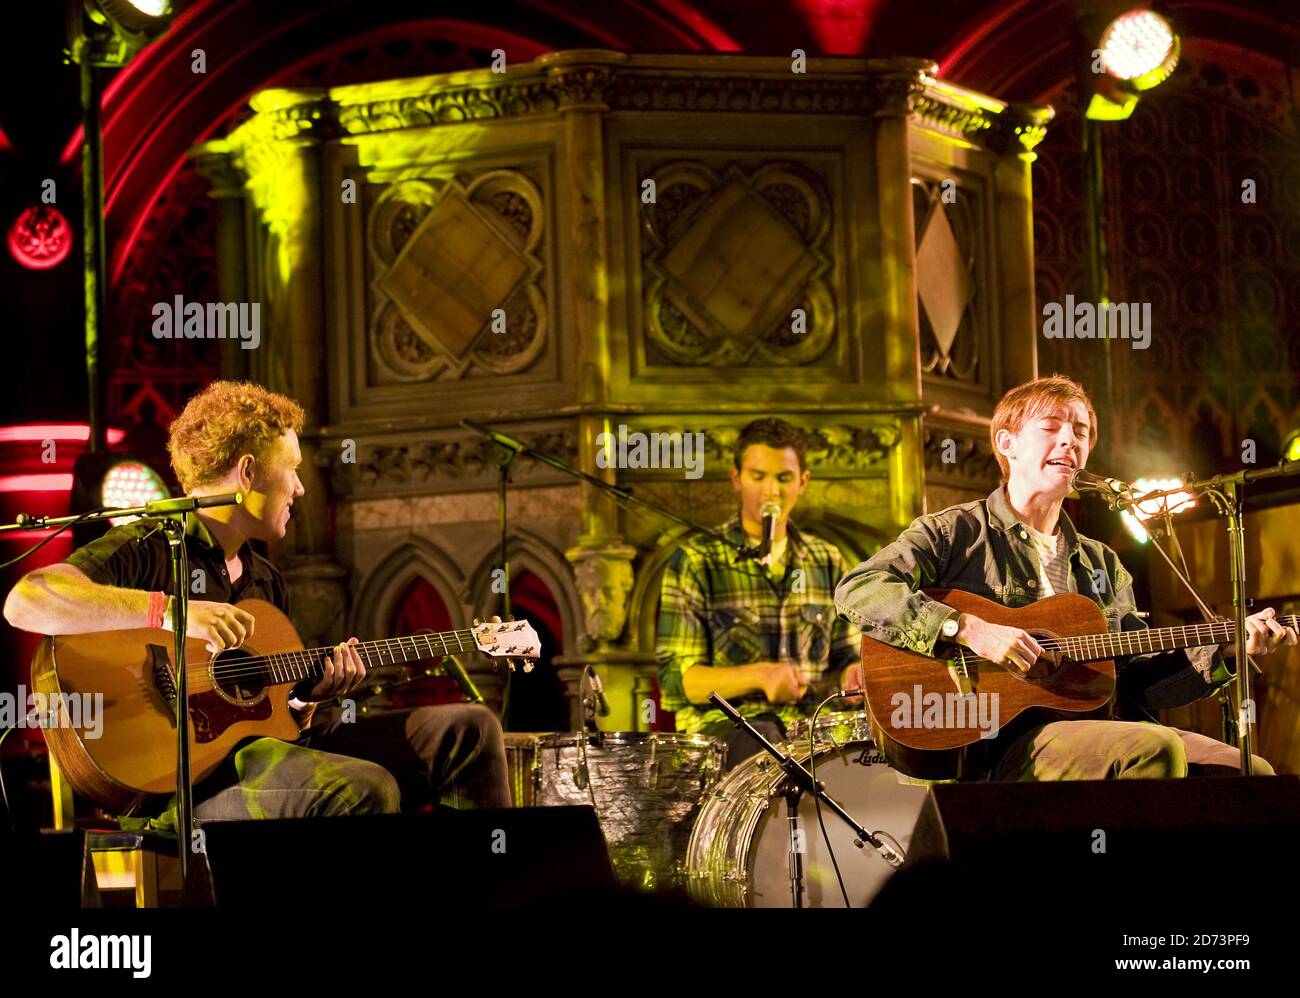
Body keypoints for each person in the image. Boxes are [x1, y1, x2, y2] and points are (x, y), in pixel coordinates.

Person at [5, 380, 513, 825]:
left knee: (469, 729)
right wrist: (172, 613)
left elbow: (271, 717)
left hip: (266, 757)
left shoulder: (264, 579)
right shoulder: (151, 544)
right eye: (291, 469)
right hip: (188, 786)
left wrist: (307, 700)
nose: (299, 487)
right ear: (247, 472)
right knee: (362, 787)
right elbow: (26, 600)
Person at [835, 374, 1295, 780]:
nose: (1069, 441)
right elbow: (859, 588)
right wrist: (969, 629)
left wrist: (1228, 651)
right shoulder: (954, 532)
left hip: (1098, 730)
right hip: (995, 739)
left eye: (1081, 432)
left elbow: (1137, 681)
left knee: (1251, 771)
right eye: (1051, 428)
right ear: (1006, 444)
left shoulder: (1102, 564)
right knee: (1155, 749)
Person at [656, 418, 862, 769]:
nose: (771, 491)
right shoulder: (696, 559)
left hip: (811, 731)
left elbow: (846, 658)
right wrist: (761, 675)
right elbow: (677, 681)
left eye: (783, 478)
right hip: (728, 733)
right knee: (763, 735)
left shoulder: (827, 559)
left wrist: (855, 674)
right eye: (758, 476)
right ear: (736, 479)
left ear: (803, 482)